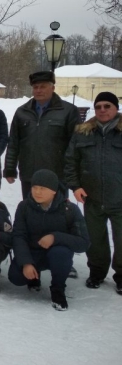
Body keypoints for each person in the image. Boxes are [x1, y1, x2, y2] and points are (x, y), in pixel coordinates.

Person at [8, 170, 90, 311]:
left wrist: (55, 237)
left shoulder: (69, 209)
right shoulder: (24, 207)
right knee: (15, 277)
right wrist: (26, 262)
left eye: (43, 188)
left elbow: (83, 243)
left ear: (53, 191)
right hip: (33, 253)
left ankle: (58, 289)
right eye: (35, 188)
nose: (37, 192)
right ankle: (34, 276)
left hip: (57, 254)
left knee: (61, 253)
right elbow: (19, 236)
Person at [65, 91, 122, 294]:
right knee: (95, 240)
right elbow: (71, 161)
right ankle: (97, 272)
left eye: (107, 106)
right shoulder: (83, 133)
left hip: (119, 198)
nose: (102, 110)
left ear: (116, 108)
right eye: (98, 107)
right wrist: (76, 186)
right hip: (92, 197)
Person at [4, 71, 80, 198]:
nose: (38, 90)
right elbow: (14, 143)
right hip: (29, 174)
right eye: (35, 87)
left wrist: (73, 175)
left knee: (57, 214)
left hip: (56, 175)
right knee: (31, 212)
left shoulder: (68, 111)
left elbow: (75, 145)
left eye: (43, 86)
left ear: (53, 88)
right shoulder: (22, 112)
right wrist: (10, 169)